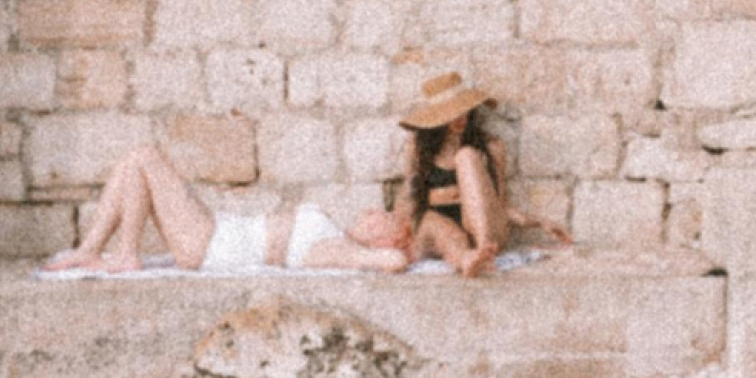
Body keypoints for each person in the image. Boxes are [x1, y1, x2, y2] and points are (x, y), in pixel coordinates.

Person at [41, 144, 411, 275]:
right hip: (217, 231)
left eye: (385, 218)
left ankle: (124, 254)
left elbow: (394, 262)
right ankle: (94, 249)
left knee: (144, 156)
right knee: (132, 162)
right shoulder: (336, 236)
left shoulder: (340, 250)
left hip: (214, 245)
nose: (373, 212)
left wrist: (388, 252)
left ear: (388, 238)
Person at [395, 72, 573, 276]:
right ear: (438, 119)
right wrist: (399, 231)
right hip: (443, 228)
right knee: (439, 225)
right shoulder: (419, 149)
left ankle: (483, 248)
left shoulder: (491, 146)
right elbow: (409, 198)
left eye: (463, 110)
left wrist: (539, 222)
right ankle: (469, 260)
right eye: (451, 113)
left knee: (466, 155)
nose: (460, 118)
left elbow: (498, 203)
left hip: (485, 228)